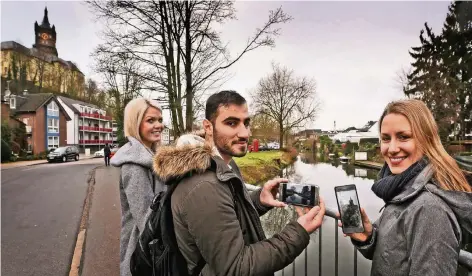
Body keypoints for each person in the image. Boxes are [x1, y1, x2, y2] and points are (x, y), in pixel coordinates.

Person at [153, 90, 326, 276]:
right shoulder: (203, 187)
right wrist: (299, 231)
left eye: (246, 123)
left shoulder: (224, 165)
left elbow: (226, 212)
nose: (245, 133)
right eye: (232, 123)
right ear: (208, 127)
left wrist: (259, 199)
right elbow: (236, 267)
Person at [338, 99, 472, 276]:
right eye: (386, 138)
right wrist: (368, 238)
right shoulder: (404, 189)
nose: (392, 148)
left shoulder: (430, 209)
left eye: (404, 137)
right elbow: (392, 257)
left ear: (426, 140)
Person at [110, 98, 165, 276]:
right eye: (151, 120)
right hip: (143, 254)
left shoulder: (154, 156)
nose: (158, 125)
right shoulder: (134, 166)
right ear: (135, 124)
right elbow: (147, 220)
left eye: (160, 120)